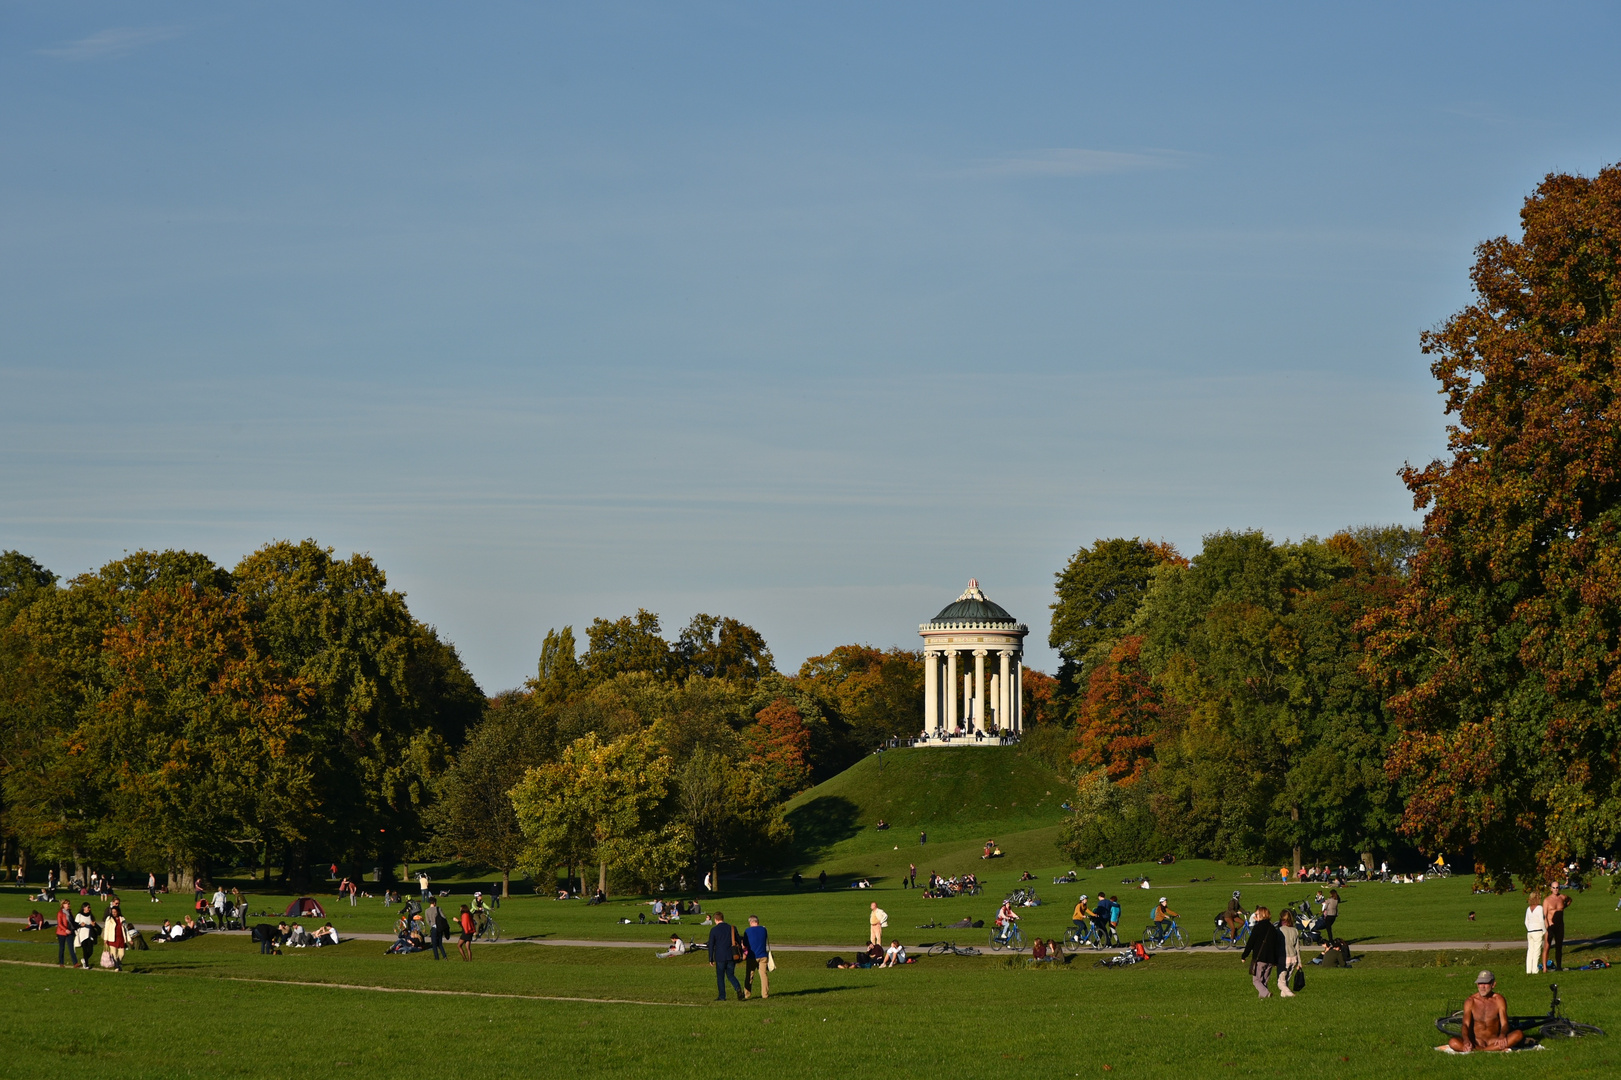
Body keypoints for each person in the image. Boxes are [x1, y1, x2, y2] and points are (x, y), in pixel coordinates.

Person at [1447, 971, 1525, 1052]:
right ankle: (1490, 1050)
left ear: (1493, 984)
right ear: (1477, 985)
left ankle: (1480, 1051)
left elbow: (1505, 1023)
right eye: (1480, 983)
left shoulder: (1499, 1000)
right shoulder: (1470, 1001)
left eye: (1486, 983)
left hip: (1494, 1041)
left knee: (1519, 1034)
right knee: (1453, 1042)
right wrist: (1466, 1040)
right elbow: (1465, 1024)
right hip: (1475, 1042)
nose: (1482, 987)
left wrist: (1502, 1035)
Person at [1241, 905, 1284, 998]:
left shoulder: (1258, 927)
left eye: (1256, 914)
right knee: (1264, 980)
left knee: (1256, 980)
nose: (1255, 916)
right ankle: (1263, 998)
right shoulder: (1272, 928)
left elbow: (1250, 943)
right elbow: (1275, 945)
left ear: (1261, 915)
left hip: (1260, 958)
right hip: (1271, 959)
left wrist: (1244, 955)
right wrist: (1275, 960)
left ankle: (1266, 994)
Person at [706, 911, 746, 1001]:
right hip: (731, 955)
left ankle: (722, 996)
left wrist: (710, 958)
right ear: (723, 918)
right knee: (731, 975)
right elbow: (739, 941)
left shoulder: (714, 930)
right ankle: (738, 988)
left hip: (720, 956)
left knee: (720, 977)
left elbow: (711, 945)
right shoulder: (732, 928)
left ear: (716, 920)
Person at [1542, 883, 1570, 972]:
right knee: (1547, 946)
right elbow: (1544, 916)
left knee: (1559, 947)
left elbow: (1569, 900)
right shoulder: (1547, 900)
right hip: (1550, 925)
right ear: (1551, 889)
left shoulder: (1562, 897)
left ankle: (1559, 967)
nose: (1555, 889)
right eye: (1554, 888)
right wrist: (1548, 927)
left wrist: (1564, 907)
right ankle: (1544, 968)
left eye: (1557, 887)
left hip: (1560, 925)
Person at [742, 915, 770, 998]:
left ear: (751, 922)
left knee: (749, 975)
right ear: (757, 921)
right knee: (763, 975)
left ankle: (747, 994)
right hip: (763, 955)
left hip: (752, 956)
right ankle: (765, 994)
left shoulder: (747, 931)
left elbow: (745, 944)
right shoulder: (764, 930)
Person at [1277, 909, 1300, 997]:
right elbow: (1297, 948)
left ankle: (1290, 994)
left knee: (1280, 983)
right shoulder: (1295, 930)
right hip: (1294, 958)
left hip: (1284, 958)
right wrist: (1300, 962)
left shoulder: (1279, 930)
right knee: (1286, 981)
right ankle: (1283, 998)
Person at [1525, 892, 1545, 975]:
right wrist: (1544, 931)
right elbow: (1541, 920)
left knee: (1530, 951)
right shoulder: (1540, 908)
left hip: (1530, 932)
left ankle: (1528, 970)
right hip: (1537, 931)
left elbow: (1526, 922)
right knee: (1536, 951)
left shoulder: (1528, 909)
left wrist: (1529, 929)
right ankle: (1535, 970)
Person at [73, 902, 97, 969]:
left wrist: (93, 925)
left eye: (90, 907)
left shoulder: (90, 916)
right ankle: (86, 965)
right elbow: (75, 925)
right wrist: (80, 925)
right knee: (85, 950)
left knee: (90, 950)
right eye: (88, 907)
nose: (89, 909)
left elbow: (94, 924)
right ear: (84, 908)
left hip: (89, 934)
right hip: (82, 935)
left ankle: (84, 959)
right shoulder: (79, 915)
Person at [55, 900, 73, 967]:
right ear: (63, 905)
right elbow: (60, 924)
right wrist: (65, 930)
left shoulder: (69, 912)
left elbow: (71, 921)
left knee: (71, 947)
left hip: (69, 931)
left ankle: (75, 962)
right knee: (62, 948)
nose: (68, 905)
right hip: (61, 932)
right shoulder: (60, 913)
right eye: (67, 904)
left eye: (69, 904)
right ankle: (61, 963)